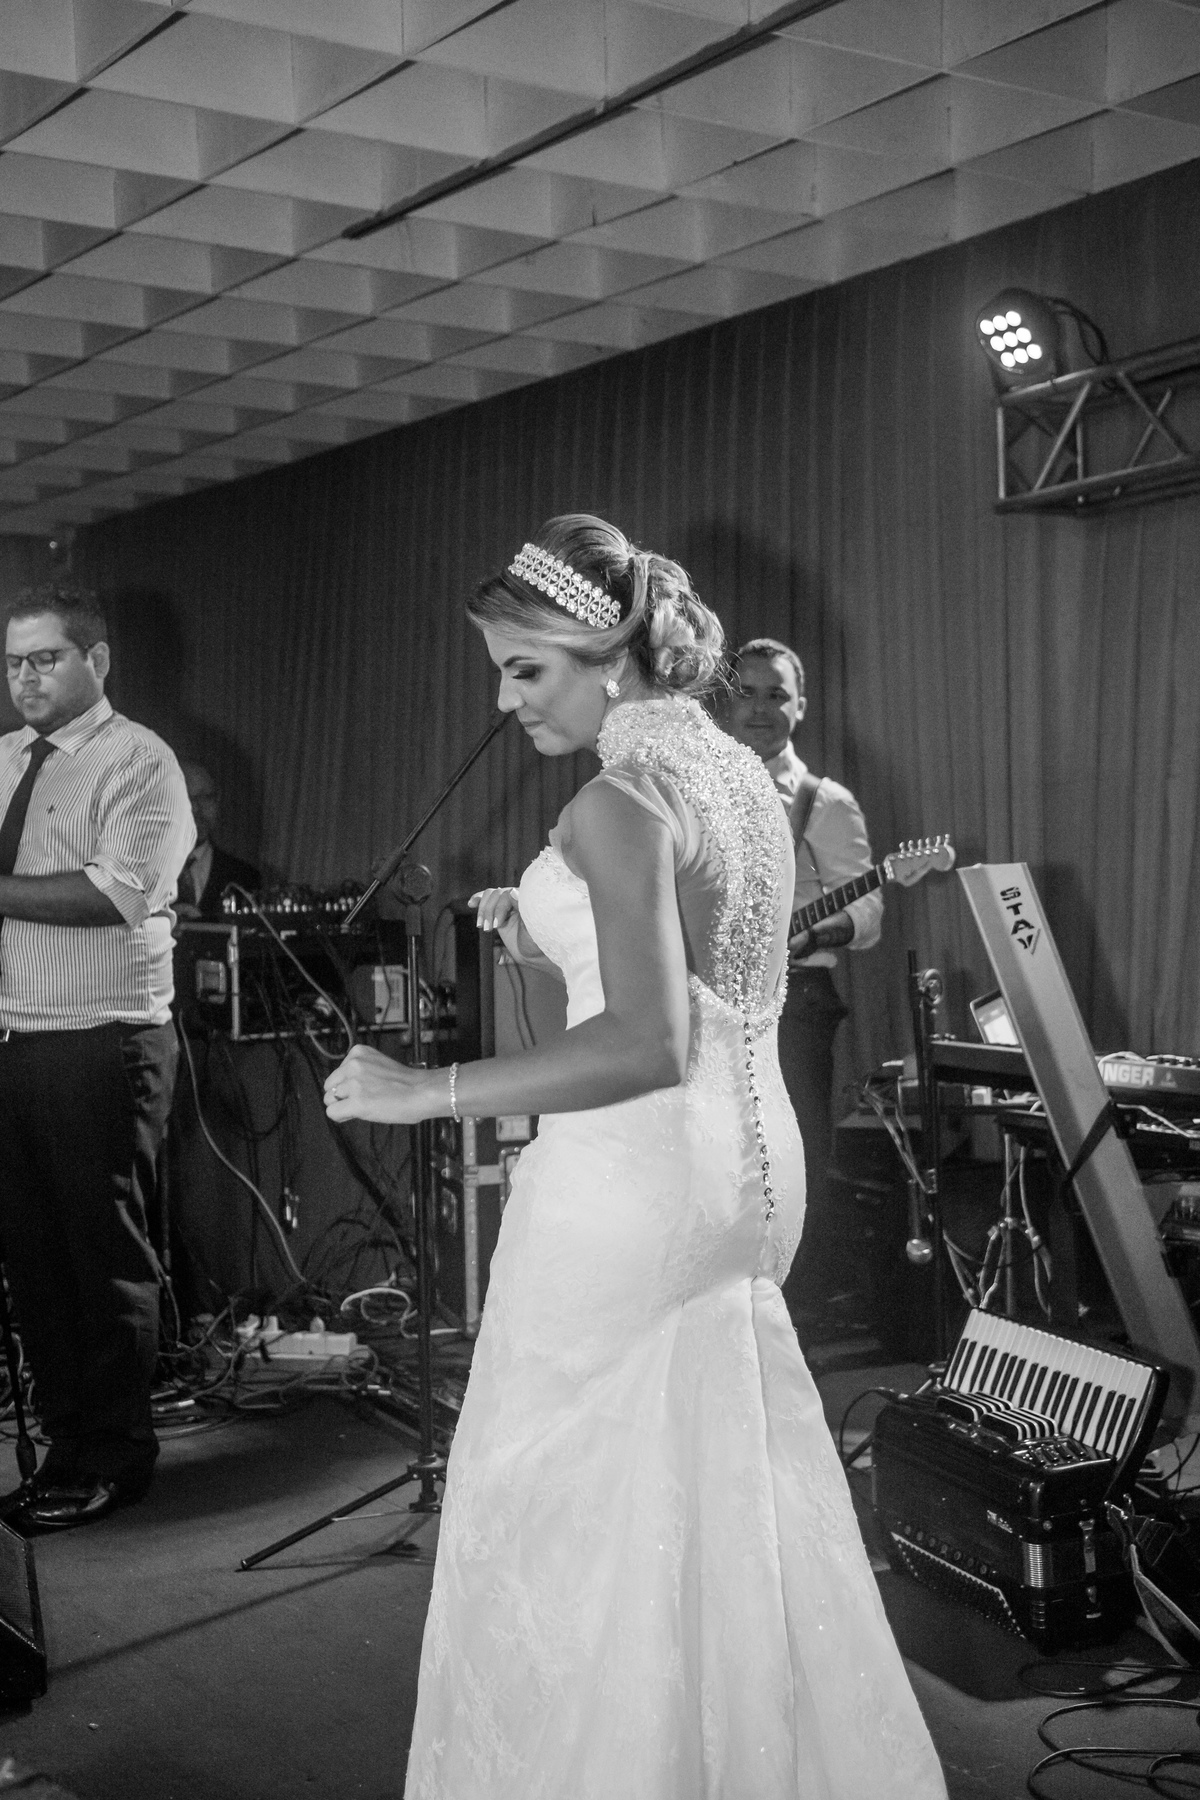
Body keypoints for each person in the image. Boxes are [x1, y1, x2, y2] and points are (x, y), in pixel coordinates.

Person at [324, 516, 945, 1799]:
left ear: (610, 657)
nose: (508, 702)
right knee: (705, 1489)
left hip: (636, 1181)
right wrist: (545, 931)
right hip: (750, 1173)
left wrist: (422, 1090)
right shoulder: (742, 781)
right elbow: (707, 975)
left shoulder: (616, 800)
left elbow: (650, 1042)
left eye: (527, 670)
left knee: (565, 1510)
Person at [0, 583, 194, 1530]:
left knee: (101, 1255)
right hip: (13, 1038)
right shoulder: (4, 758)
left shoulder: (139, 760)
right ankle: (67, 1445)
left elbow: (114, 894)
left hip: (100, 1039)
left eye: (46, 658)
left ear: (97, 660)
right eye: (13, 663)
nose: (26, 679)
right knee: (34, 1258)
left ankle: (115, 1457)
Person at [725, 638, 882, 1326]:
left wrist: (815, 933)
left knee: (793, 1164)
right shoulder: (698, 789)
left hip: (797, 1006)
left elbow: (868, 912)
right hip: (712, 1000)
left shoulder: (826, 802)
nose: (760, 708)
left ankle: (796, 1323)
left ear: (802, 707)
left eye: (776, 695)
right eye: (747, 693)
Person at [176, 759, 261, 919]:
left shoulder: (244, 878)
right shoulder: (138, 871)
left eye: (205, 798)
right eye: (186, 798)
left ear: (218, 800)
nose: (196, 809)